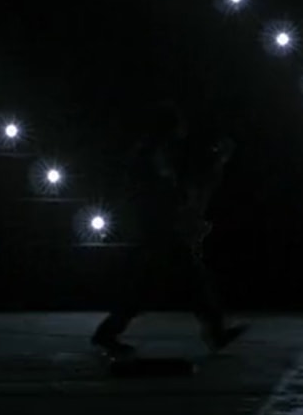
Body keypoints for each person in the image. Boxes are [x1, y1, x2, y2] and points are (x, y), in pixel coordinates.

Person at [92, 102, 247, 356]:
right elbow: (154, 197)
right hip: (160, 232)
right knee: (182, 283)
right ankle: (215, 333)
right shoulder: (149, 159)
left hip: (161, 230)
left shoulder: (154, 156)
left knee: (174, 284)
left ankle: (215, 332)